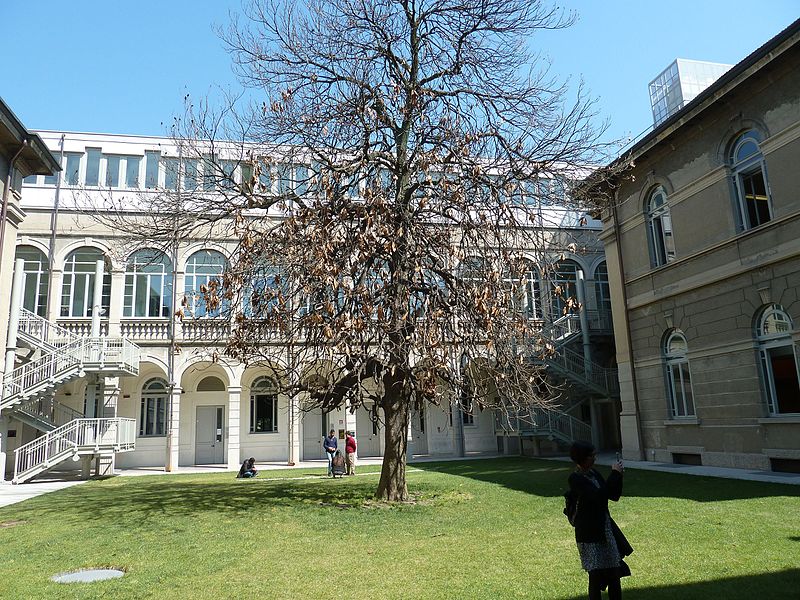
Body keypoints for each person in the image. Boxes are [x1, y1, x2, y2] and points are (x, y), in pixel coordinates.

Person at [568, 441, 632, 600]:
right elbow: (596, 497)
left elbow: (612, 495)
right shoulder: (575, 479)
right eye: (591, 456)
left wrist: (619, 476)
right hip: (590, 534)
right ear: (582, 458)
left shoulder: (594, 474)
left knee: (614, 574)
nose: (594, 459)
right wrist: (614, 474)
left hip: (605, 530)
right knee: (595, 576)